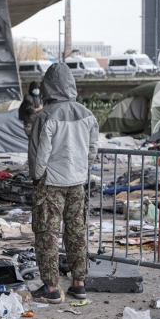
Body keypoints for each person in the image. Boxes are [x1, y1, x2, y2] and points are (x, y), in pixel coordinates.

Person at [28, 63, 98, 304]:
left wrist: (37, 178)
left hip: (51, 183)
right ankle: (79, 285)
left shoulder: (45, 116)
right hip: (77, 182)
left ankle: (50, 287)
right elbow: (92, 150)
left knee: (47, 234)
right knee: (77, 232)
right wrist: (82, 169)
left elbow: (40, 154)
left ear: (48, 86)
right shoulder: (87, 114)